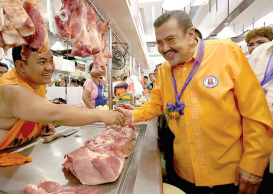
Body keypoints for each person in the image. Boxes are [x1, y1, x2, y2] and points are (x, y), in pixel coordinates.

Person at [115, 10, 273, 194]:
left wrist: (253, 163)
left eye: (171, 40)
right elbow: (156, 104)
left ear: (190, 35)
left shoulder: (226, 52)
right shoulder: (166, 70)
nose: (165, 48)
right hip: (185, 173)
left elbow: (255, 112)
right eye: (159, 43)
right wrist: (133, 114)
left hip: (231, 175)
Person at [0, 46, 125, 157]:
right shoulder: (11, 89)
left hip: (20, 149)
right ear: (21, 66)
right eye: (42, 62)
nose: (50, 67)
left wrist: (40, 124)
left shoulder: (35, 80)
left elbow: (33, 111)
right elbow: (56, 114)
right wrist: (101, 115)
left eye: (51, 61)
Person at [248, 40, 273, 193]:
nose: (254, 46)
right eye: (251, 43)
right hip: (262, 146)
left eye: (259, 41)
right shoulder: (261, 52)